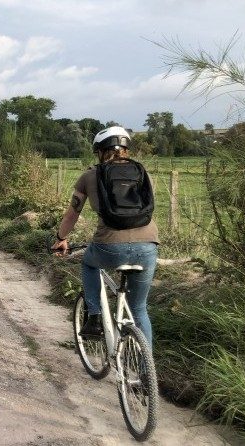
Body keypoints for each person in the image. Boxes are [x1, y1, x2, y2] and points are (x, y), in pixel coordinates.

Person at [51, 126, 159, 347]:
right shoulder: (142, 172)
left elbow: (73, 213)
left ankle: (94, 317)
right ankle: (147, 374)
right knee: (138, 308)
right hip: (148, 246)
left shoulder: (89, 176)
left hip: (109, 246)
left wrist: (61, 237)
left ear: (100, 151)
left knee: (89, 264)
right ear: (125, 149)